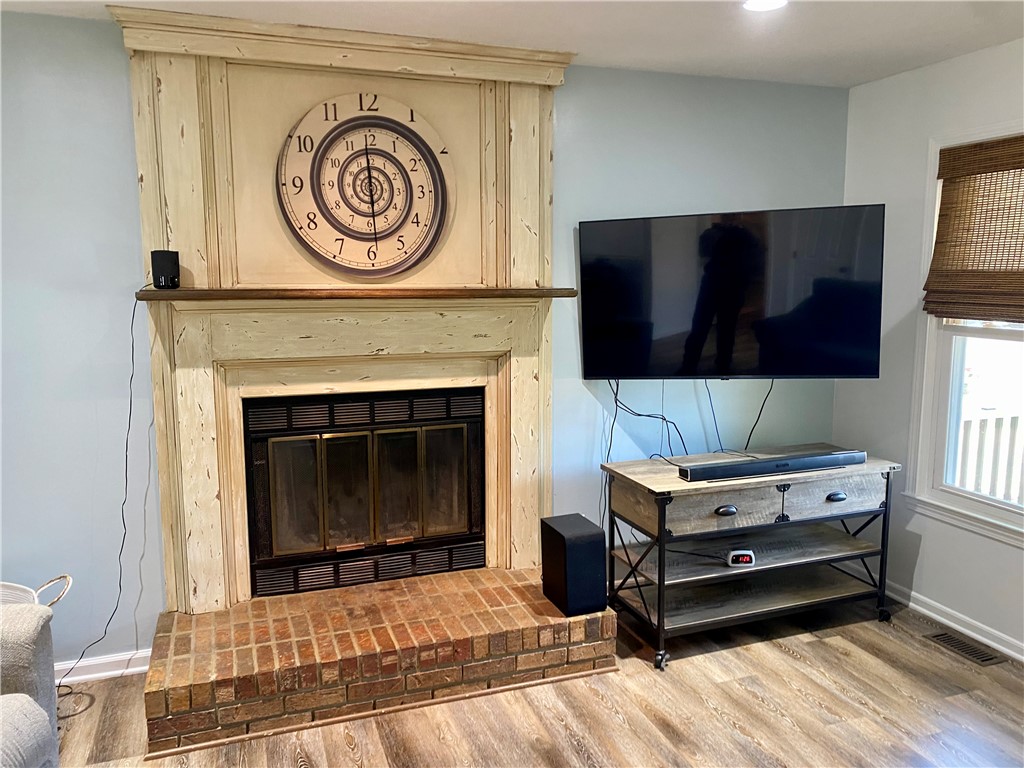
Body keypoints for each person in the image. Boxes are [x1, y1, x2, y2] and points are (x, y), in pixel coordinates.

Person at [679, 215, 763, 375]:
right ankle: (723, 365)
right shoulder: (749, 236)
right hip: (735, 286)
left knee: (700, 327)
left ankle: (688, 366)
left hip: (713, 284)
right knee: (727, 329)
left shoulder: (710, 234)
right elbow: (755, 263)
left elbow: (703, 258)